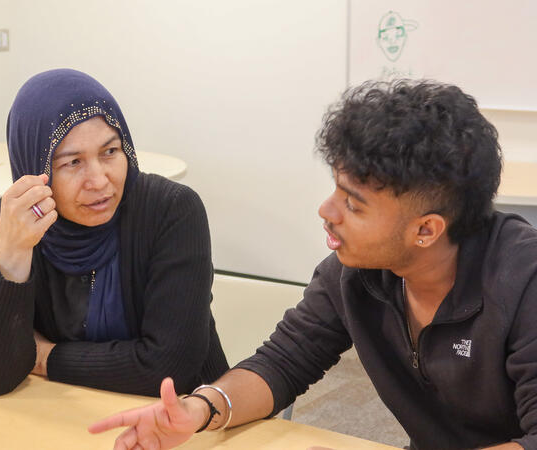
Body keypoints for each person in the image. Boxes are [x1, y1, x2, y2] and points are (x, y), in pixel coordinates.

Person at [88, 80, 537, 450]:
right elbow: (283, 362)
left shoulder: (522, 283)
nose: (327, 210)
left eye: (353, 205)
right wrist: (200, 410)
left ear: (426, 230)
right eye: (335, 189)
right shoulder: (354, 275)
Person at [0, 69, 228, 397]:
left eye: (110, 152)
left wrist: (45, 358)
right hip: (63, 419)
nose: (99, 180)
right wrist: (13, 254)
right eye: (72, 163)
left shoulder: (171, 210)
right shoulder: (6, 225)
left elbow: (168, 368)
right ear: (35, 170)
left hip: (185, 423)